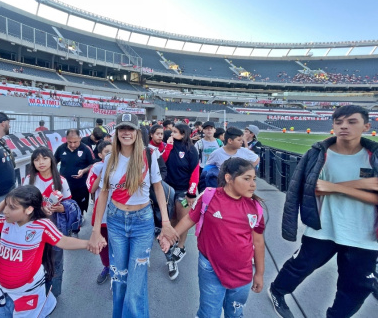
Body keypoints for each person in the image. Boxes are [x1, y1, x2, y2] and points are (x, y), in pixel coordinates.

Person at [269, 105, 378, 318]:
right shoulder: (318, 154)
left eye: (351, 122)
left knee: (355, 287)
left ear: (367, 126)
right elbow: (298, 190)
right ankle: (277, 291)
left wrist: (336, 187)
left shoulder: (373, 157)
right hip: (323, 229)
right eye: (338, 122)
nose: (343, 126)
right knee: (299, 267)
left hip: (365, 236)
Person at [88, 113, 178, 318]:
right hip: (115, 220)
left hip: (142, 222)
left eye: (130, 129)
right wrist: (95, 231)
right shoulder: (110, 158)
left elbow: (158, 188)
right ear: (117, 132)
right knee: (119, 280)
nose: (126, 132)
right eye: (122, 129)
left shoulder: (149, 155)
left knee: (135, 285)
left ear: (137, 133)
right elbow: (102, 194)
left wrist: (165, 222)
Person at [160, 158, 265, 318]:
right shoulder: (209, 197)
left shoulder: (254, 207)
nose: (253, 184)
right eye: (246, 178)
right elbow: (189, 219)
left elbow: (258, 242)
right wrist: (170, 237)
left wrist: (259, 273)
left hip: (242, 273)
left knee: (235, 314)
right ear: (229, 178)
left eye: (254, 179)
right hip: (210, 268)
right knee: (209, 313)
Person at [0, 185, 94, 318]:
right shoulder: (6, 223)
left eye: (12, 207)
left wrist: (88, 244)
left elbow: (63, 241)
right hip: (4, 292)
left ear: (29, 209)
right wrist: (5, 201)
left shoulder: (41, 225)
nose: (6, 211)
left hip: (27, 294)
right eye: (6, 206)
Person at [23, 147, 72, 299]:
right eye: (36, 159)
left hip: (55, 229)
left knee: (55, 262)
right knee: (35, 262)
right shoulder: (29, 179)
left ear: (51, 159)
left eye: (44, 158)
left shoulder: (61, 181)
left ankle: (53, 293)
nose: (41, 162)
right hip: (34, 229)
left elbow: (69, 205)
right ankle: (36, 294)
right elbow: (22, 205)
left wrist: (60, 208)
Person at [164, 123, 199, 279]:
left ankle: (181, 246)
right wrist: (169, 147)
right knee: (170, 218)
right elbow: (162, 161)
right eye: (172, 131)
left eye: (176, 132)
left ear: (184, 133)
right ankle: (171, 243)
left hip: (183, 192)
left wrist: (191, 193)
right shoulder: (168, 145)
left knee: (184, 219)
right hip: (168, 190)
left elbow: (195, 171)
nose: (172, 133)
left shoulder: (191, 150)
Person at [54, 129, 94, 226]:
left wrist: (84, 170)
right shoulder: (61, 149)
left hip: (80, 185)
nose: (72, 145)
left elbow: (92, 165)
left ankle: (79, 219)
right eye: (69, 142)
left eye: (75, 142)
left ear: (80, 138)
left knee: (80, 204)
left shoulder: (86, 149)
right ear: (66, 139)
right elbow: (53, 162)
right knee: (65, 205)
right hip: (64, 186)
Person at [86, 141, 113, 284]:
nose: (110, 154)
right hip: (102, 216)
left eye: (112, 151)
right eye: (107, 152)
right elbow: (91, 189)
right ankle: (107, 267)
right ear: (100, 155)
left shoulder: (122, 165)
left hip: (119, 213)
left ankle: (120, 269)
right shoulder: (96, 167)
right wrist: (102, 174)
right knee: (104, 244)